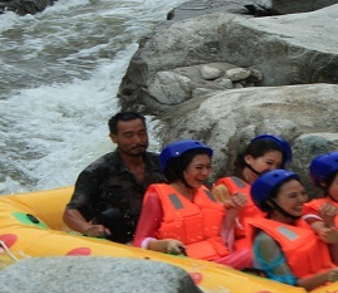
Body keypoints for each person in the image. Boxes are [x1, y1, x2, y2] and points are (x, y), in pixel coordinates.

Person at [132, 140, 249, 268]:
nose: (205, 173)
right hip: (183, 265)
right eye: (199, 168)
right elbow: (139, 242)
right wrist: (164, 244)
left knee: (250, 253)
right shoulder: (156, 197)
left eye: (208, 167)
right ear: (179, 168)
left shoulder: (206, 193)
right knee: (250, 256)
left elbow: (223, 238)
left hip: (216, 262)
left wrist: (232, 213)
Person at [63, 111, 165, 244]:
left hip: (160, 236)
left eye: (142, 133)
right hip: (119, 242)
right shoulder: (97, 172)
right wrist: (88, 228)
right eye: (129, 136)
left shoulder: (163, 164)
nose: (138, 140)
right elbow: (71, 213)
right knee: (112, 215)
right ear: (114, 138)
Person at [248, 169, 338, 290]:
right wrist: (328, 276)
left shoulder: (307, 220)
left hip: (331, 286)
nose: (302, 199)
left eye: (303, 193)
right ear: (270, 202)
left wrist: (331, 227)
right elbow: (289, 288)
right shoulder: (265, 240)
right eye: (293, 196)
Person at [213, 134, 292, 252]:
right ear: (249, 159)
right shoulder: (223, 189)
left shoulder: (276, 191)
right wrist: (232, 213)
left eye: (278, 166)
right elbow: (217, 233)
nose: (273, 170)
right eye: (269, 163)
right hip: (241, 252)